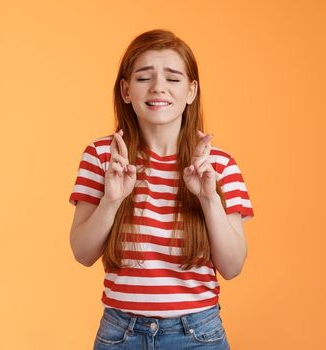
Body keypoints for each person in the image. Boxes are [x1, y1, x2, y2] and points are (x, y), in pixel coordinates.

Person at [67, 29, 255, 349]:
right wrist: (112, 200)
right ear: (126, 90)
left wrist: (209, 198)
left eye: (173, 78)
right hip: (120, 333)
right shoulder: (102, 156)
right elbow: (82, 253)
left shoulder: (218, 165)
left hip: (198, 333)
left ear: (191, 91)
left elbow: (233, 267)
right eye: (143, 78)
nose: (158, 88)